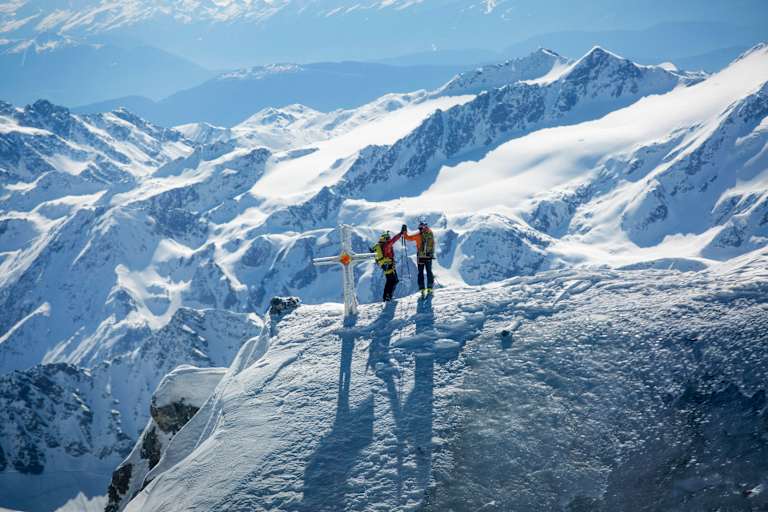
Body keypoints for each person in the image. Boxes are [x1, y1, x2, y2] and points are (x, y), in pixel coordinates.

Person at [403, 220, 435, 298]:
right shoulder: (430, 234)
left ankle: (422, 289)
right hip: (429, 256)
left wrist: (404, 231)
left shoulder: (418, 235)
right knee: (429, 271)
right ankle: (430, 288)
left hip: (420, 256)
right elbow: (433, 244)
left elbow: (407, 237)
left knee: (420, 272)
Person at [372, 229, 404, 302]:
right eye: (388, 238)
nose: (389, 239)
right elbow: (394, 240)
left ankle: (387, 296)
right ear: (385, 238)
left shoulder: (382, 245)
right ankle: (388, 297)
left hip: (386, 264)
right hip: (388, 264)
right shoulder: (386, 245)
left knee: (391, 280)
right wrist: (400, 233)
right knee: (393, 281)